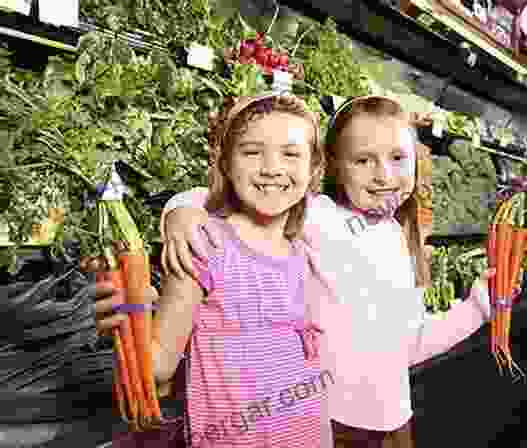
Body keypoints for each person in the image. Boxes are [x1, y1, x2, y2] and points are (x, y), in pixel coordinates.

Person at [97, 96, 494, 448]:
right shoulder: (315, 219)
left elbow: (410, 341)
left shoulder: (397, 237)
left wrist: (478, 306)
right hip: (332, 422)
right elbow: (225, 201)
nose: (384, 176)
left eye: (397, 159)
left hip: (389, 422)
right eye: (363, 160)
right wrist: (181, 213)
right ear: (333, 168)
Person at [99, 93, 335, 448]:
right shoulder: (204, 242)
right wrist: (130, 316)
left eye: (291, 153)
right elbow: (159, 365)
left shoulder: (301, 250)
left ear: (314, 168)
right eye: (252, 152)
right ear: (224, 162)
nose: (271, 167)